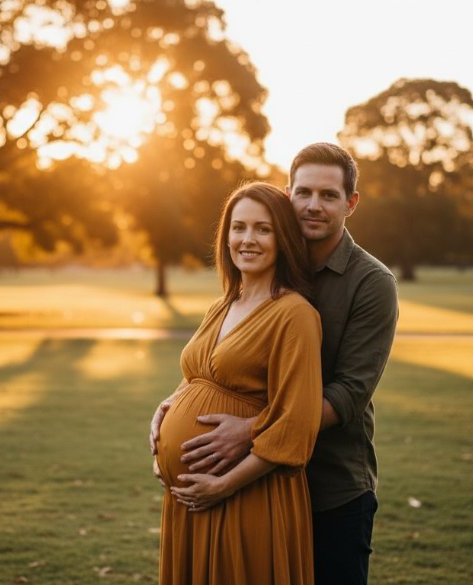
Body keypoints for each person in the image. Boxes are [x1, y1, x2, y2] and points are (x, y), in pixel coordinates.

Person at [151, 143, 398, 585]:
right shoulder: (254, 280)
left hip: (330, 483)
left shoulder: (370, 283)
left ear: (351, 203)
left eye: (328, 195)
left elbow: (349, 392)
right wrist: (172, 406)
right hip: (239, 479)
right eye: (304, 192)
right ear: (288, 195)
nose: (313, 205)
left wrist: (249, 432)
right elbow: (218, 366)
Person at [151, 182, 323, 585]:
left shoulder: (295, 314)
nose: (248, 239)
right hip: (192, 498)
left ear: (283, 239)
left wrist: (223, 485)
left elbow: (296, 424)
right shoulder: (223, 305)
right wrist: (167, 410)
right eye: (239, 227)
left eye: (263, 229)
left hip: (247, 494)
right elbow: (200, 375)